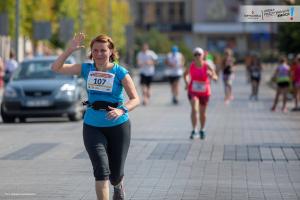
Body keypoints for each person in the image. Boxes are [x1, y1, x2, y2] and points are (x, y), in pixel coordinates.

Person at [52, 33, 140, 200]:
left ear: (111, 51)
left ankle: (118, 184)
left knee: (115, 175)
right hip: (93, 125)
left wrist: (122, 110)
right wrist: (70, 49)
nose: (99, 54)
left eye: (103, 50)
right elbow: (56, 68)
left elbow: (136, 99)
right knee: (101, 171)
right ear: (91, 52)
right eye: (95, 50)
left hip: (118, 126)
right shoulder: (86, 69)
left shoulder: (120, 72)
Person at [184, 47, 218, 140]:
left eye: (199, 54)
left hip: (204, 92)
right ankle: (194, 130)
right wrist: (187, 83)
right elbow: (185, 74)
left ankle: (202, 129)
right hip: (193, 91)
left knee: (202, 113)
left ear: (203, 55)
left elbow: (215, 75)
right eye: (195, 54)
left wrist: (212, 76)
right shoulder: (191, 65)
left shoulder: (207, 65)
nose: (197, 56)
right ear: (193, 56)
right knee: (194, 109)